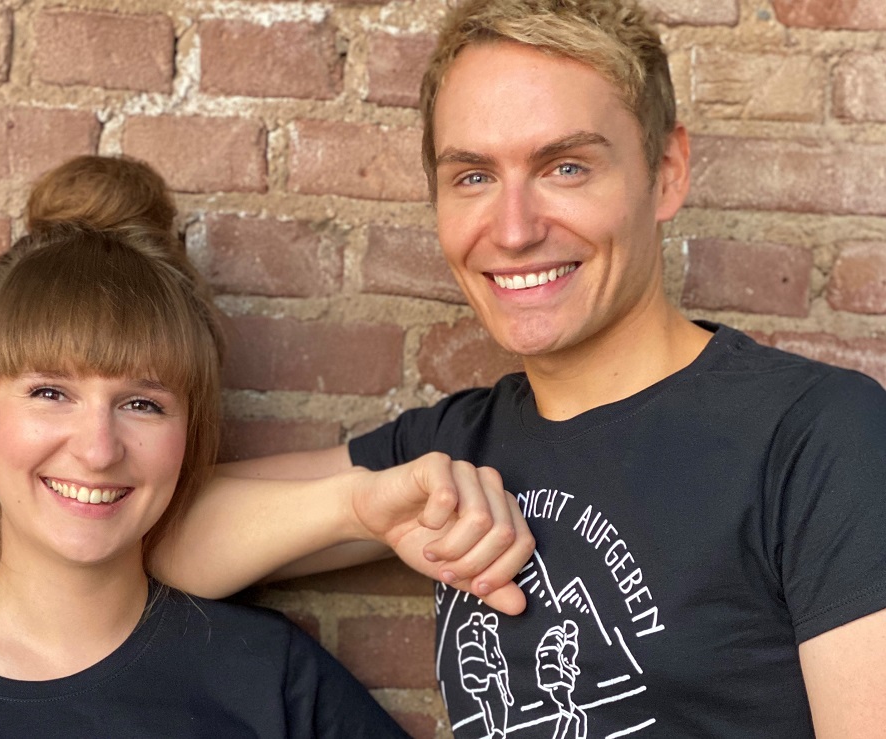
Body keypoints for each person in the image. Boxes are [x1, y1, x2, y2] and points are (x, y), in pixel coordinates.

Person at [155, 0, 886, 736]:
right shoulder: (459, 448)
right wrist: (355, 505)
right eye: (473, 176)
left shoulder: (818, 438)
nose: (513, 230)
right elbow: (150, 532)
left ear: (665, 173)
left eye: (565, 167)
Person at [0, 155, 531, 737]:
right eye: (50, 392)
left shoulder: (268, 678)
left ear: (189, 436)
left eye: (142, 404)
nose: (98, 449)